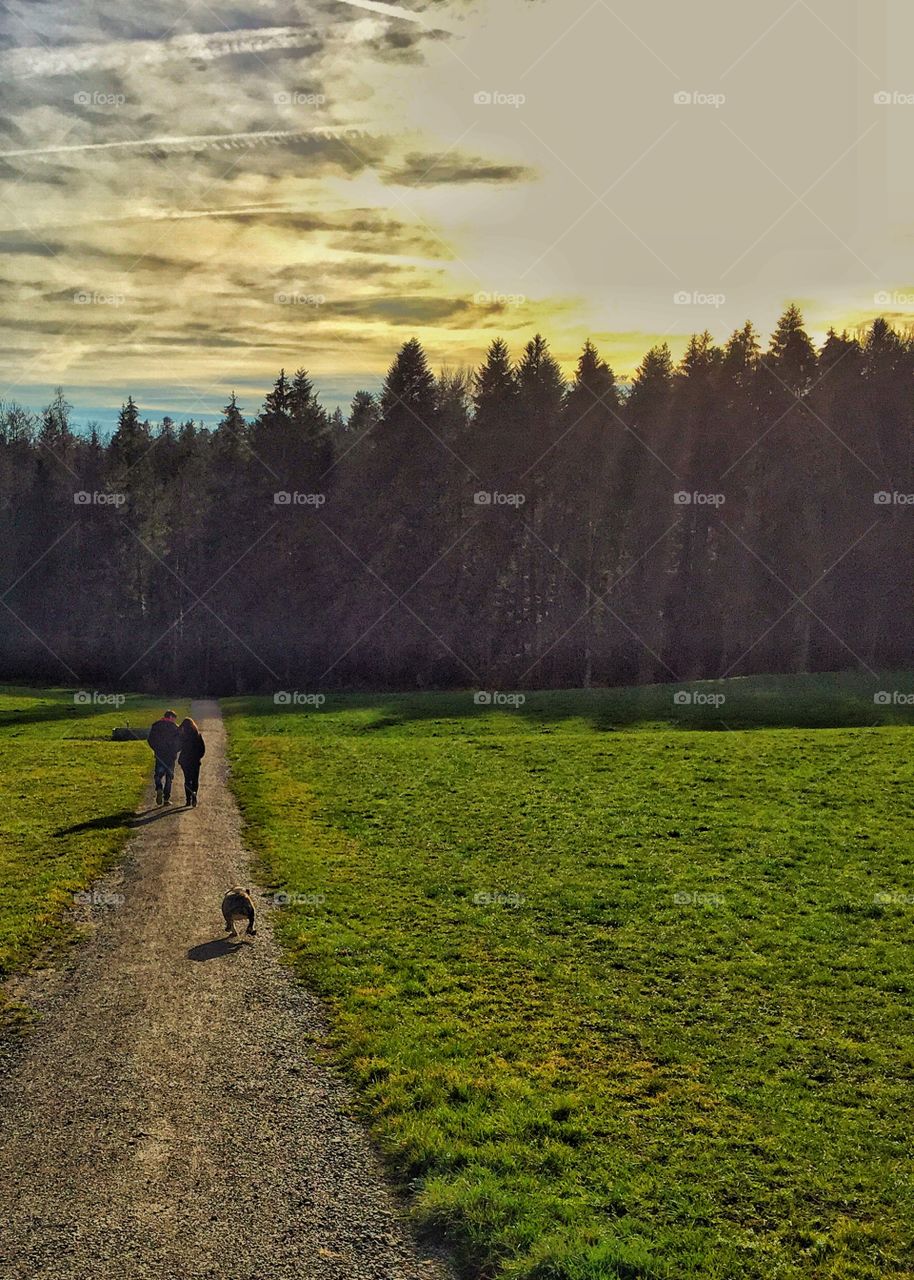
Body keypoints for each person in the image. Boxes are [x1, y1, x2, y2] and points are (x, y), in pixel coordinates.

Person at [147, 709, 180, 806]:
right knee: (169, 778)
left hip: (160, 755)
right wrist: (175, 750)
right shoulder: (175, 728)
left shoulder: (156, 725)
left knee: (158, 775)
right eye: (174, 719)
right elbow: (180, 742)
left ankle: (159, 788)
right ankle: (166, 799)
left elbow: (150, 739)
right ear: (170, 717)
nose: (174, 721)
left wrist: (156, 749)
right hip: (170, 757)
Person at [178, 716, 206, 807]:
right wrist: (198, 757)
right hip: (195, 761)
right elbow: (202, 749)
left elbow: (177, 747)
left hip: (185, 761)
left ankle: (188, 800)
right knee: (195, 780)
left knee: (187, 780)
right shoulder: (197, 735)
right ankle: (194, 796)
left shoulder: (182, 736)